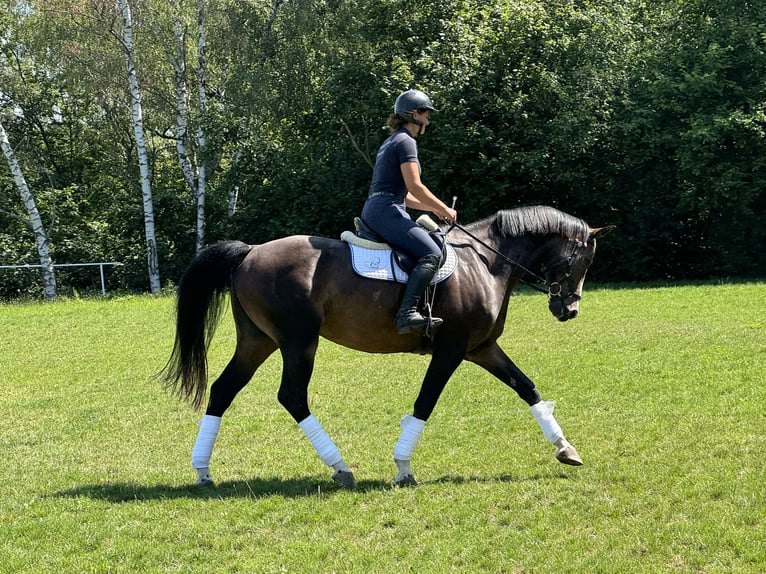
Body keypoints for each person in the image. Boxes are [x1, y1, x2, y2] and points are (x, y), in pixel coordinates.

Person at [361, 89, 458, 334]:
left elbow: (406, 195)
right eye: (426, 114)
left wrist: (434, 210)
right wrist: (443, 207)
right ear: (414, 114)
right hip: (387, 211)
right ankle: (406, 314)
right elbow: (415, 185)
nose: (428, 121)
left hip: (378, 208)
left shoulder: (391, 141)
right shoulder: (406, 141)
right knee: (432, 253)